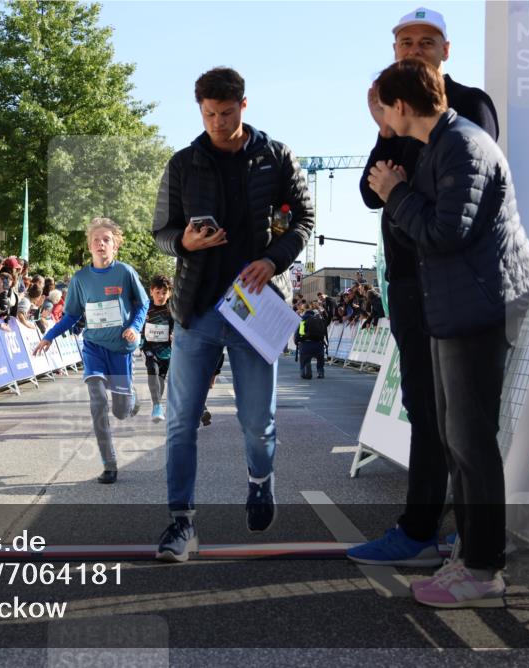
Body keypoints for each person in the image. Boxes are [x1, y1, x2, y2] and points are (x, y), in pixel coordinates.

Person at [363, 58, 529, 608]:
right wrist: (398, 194)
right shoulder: (444, 142)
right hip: (455, 307)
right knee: (458, 439)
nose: (379, 120)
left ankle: (484, 569)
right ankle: (469, 558)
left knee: (471, 442)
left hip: (476, 307)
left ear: (399, 106)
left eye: (380, 109)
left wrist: (396, 192)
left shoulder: (463, 144)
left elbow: (446, 232)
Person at [349, 6, 505, 573]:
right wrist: (387, 129)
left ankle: (458, 545)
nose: (415, 49)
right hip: (410, 282)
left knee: (461, 425)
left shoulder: (467, 106)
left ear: (446, 50)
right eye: (405, 41)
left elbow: (452, 197)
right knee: (426, 408)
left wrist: (398, 164)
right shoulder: (393, 110)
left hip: (456, 283)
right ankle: (429, 533)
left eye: (426, 40)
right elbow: (371, 193)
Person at [152, 67, 313, 562]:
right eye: (208, 114)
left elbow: (304, 220)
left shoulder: (278, 155)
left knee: (256, 422)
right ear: (199, 109)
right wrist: (184, 241)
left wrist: (273, 259)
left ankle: (260, 481)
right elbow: (160, 231)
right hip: (197, 309)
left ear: (244, 105)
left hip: (257, 308)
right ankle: (181, 523)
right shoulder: (183, 163)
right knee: (180, 421)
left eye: (225, 113)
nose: (217, 123)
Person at [34, 218, 148, 485]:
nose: (101, 244)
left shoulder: (125, 273)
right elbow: (72, 314)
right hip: (94, 346)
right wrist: (49, 336)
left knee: (121, 410)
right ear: (89, 245)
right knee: (97, 401)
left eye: (106, 239)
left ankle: (132, 401)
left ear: (115, 245)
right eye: (96, 240)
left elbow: (142, 304)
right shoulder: (80, 278)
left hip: (120, 348)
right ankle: (109, 464)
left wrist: (134, 326)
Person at [142, 275, 174, 422]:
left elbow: (178, 326)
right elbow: (138, 323)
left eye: (164, 292)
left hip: (166, 351)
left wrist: (174, 334)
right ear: (151, 292)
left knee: (160, 379)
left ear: (170, 293)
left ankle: (157, 404)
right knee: (152, 371)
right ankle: (156, 405)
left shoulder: (172, 310)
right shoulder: (145, 307)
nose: (161, 296)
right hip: (149, 347)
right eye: (158, 292)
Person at [296, 303, 327, 379]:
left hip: (306, 344)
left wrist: (298, 341)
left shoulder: (303, 320)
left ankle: (303, 371)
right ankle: (320, 372)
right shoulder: (319, 320)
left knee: (304, 357)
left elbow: (300, 333)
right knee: (320, 359)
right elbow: (324, 333)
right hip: (319, 345)